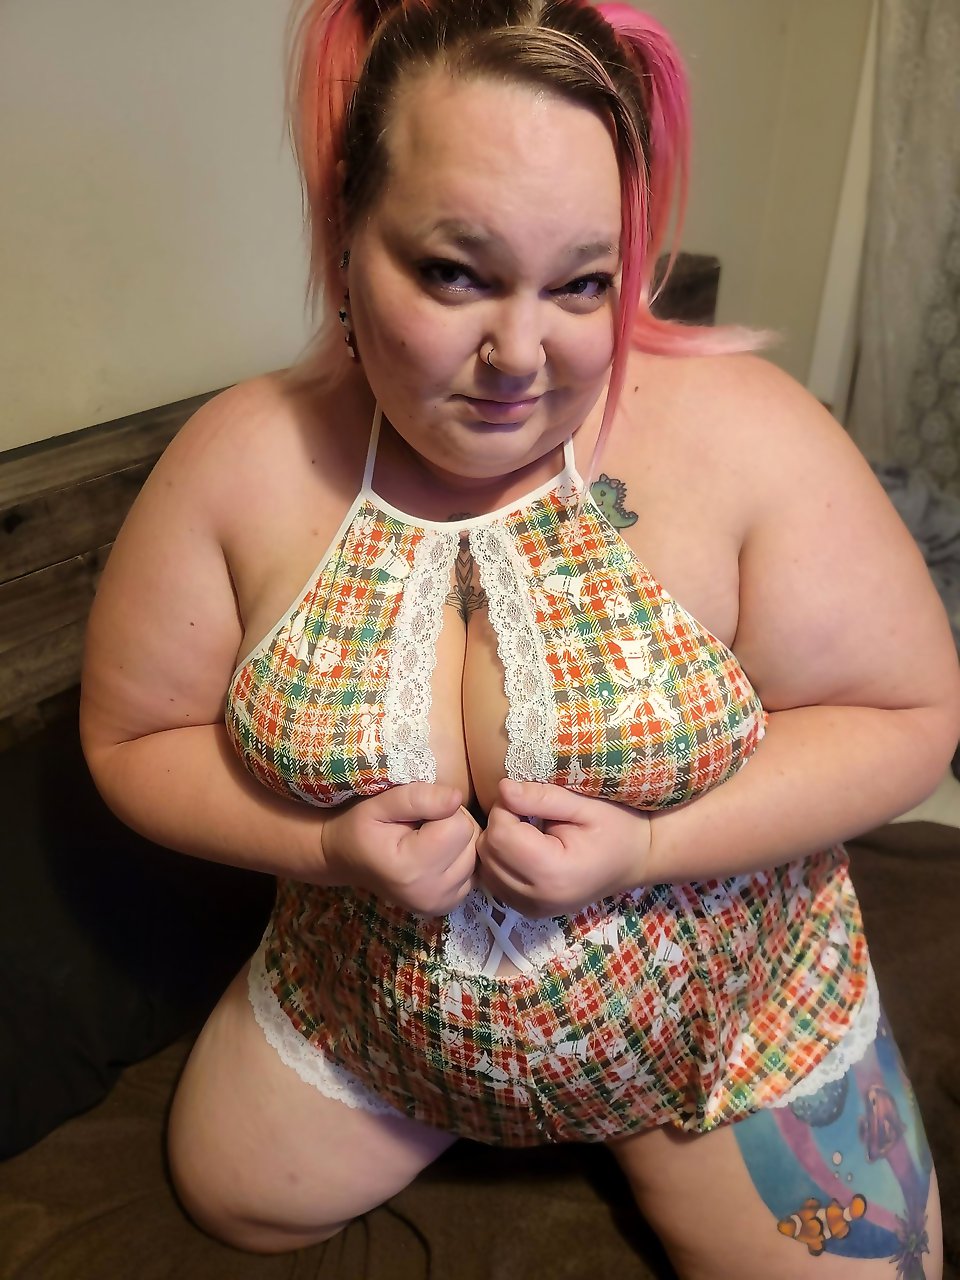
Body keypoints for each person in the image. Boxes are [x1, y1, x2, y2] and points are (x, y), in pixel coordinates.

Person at [79, 0, 960, 1274]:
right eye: (456, 271)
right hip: (369, 1016)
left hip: (725, 1029)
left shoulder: (753, 436)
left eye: (581, 283)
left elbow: (908, 712)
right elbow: (131, 735)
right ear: (346, 229)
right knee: (237, 1197)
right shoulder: (238, 462)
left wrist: (654, 844)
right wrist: (321, 846)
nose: (520, 353)